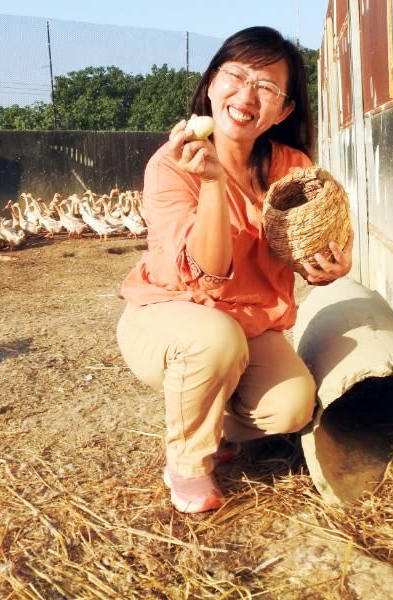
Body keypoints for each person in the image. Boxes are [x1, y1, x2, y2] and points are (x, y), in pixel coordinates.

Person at [117, 26, 353, 513]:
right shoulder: (172, 166)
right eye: (237, 76)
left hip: (247, 322)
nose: (247, 96)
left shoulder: (290, 165)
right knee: (212, 339)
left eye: (267, 87)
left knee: (292, 407)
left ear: (284, 111)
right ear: (211, 82)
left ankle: (212, 418)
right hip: (171, 315)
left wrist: (332, 266)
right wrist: (211, 184)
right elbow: (206, 271)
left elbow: (305, 245)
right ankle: (186, 463)